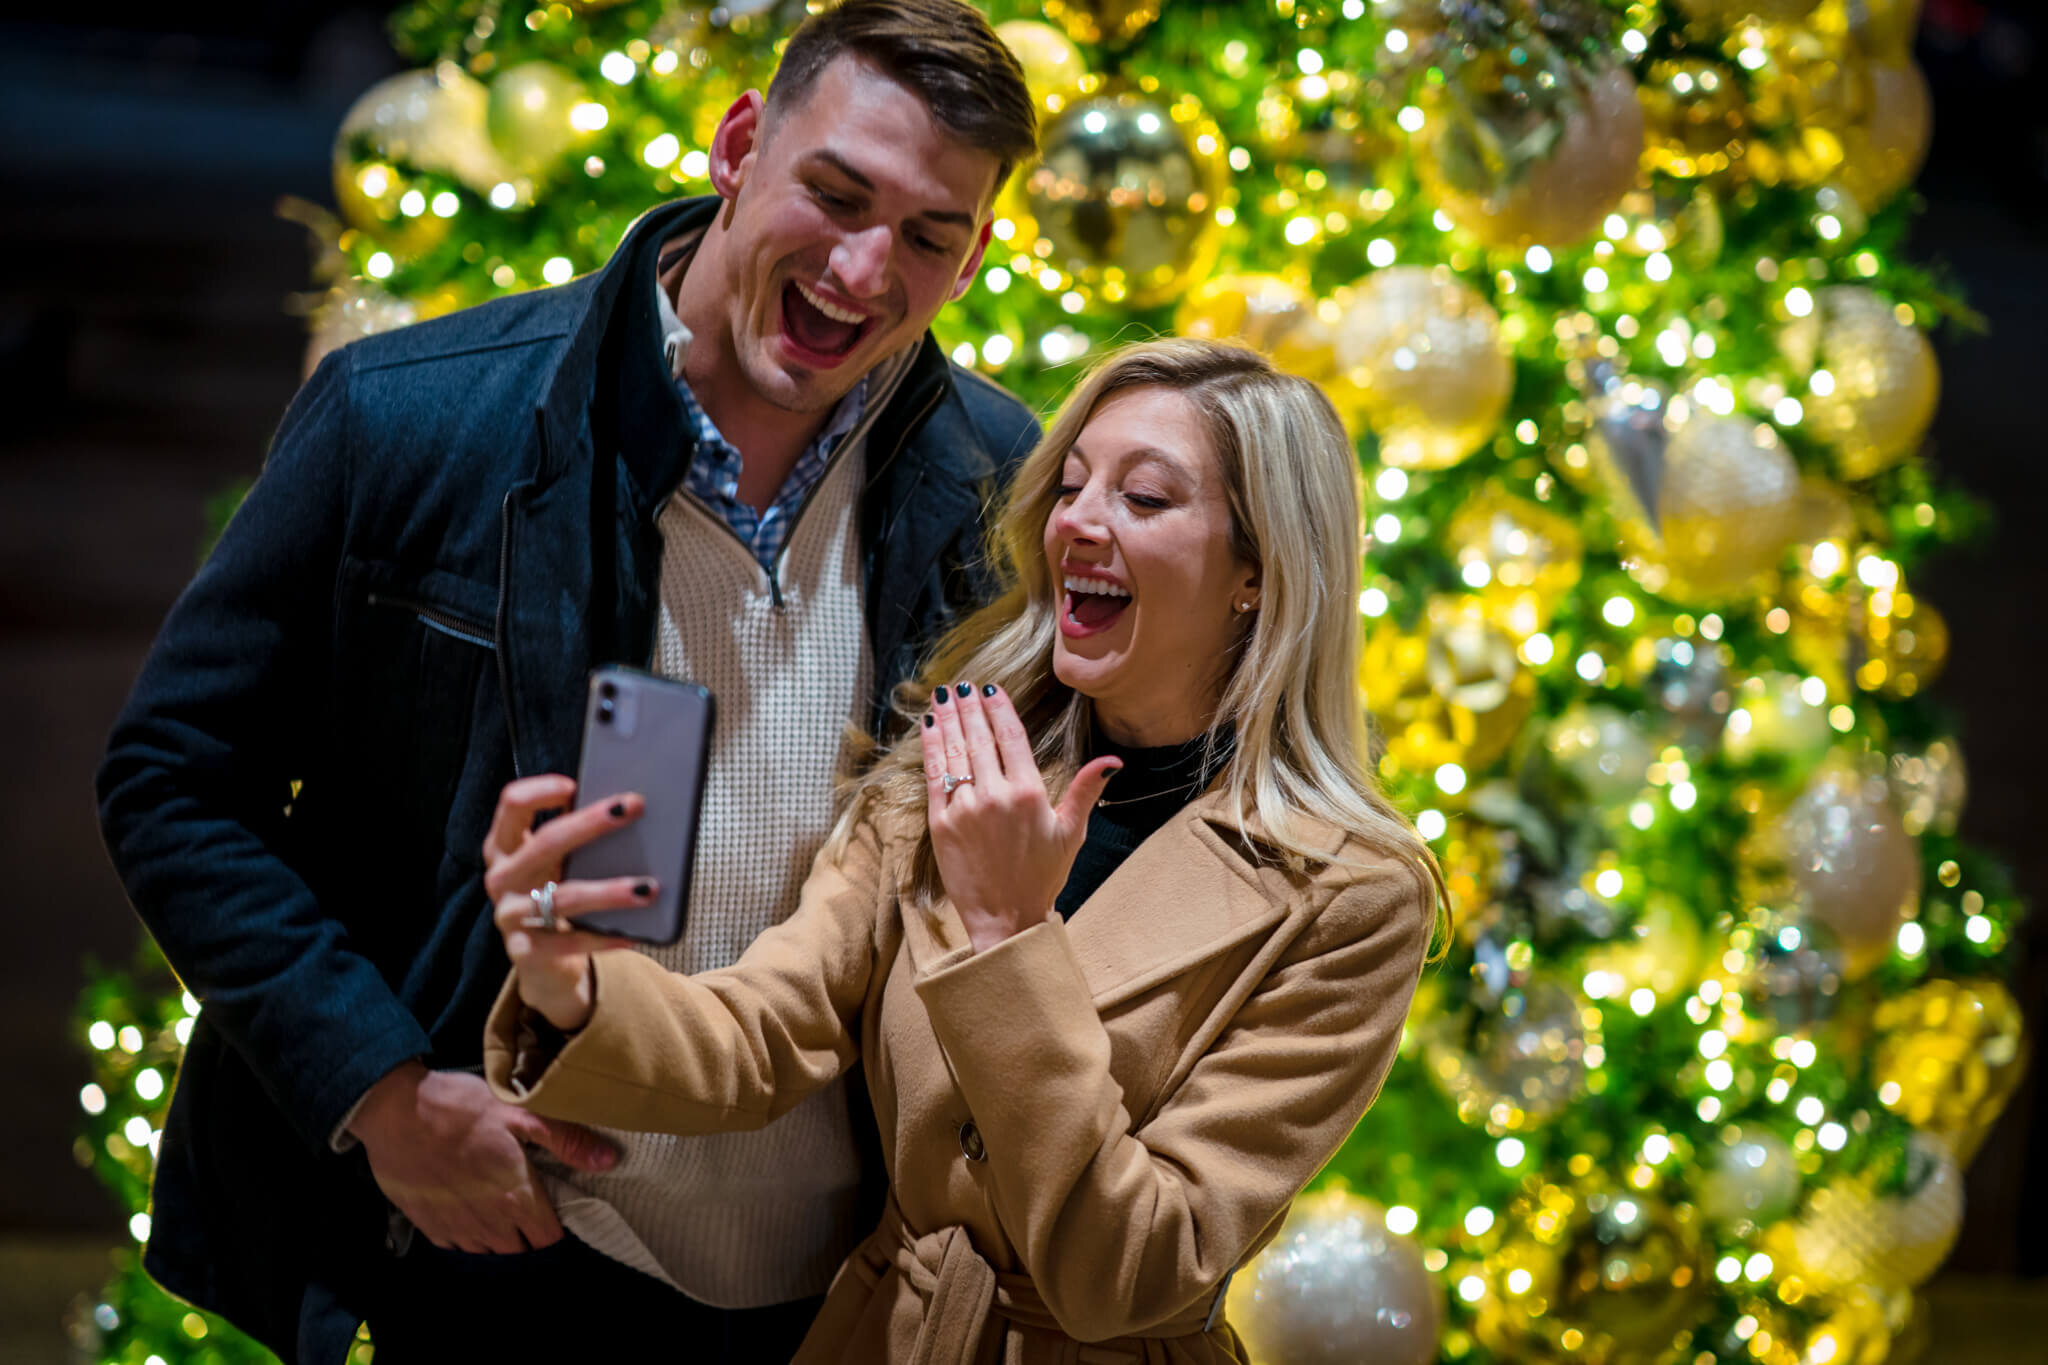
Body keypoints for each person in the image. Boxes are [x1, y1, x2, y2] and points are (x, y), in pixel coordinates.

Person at [93, 2, 1039, 1360]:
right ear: (738, 144)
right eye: (835, 194)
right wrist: (384, 1090)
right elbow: (173, 780)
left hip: (857, 1289)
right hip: (514, 1255)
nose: (860, 268)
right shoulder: (409, 416)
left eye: (928, 237)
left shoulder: (1000, 486)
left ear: (977, 254)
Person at [477, 338, 1449, 1363]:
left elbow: (1133, 1268)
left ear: (1258, 571)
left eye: (1145, 499)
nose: (1076, 520)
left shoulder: (1348, 894)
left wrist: (1005, 934)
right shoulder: (957, 764)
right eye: (1070, 486)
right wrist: (572, 988)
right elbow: (765, 1029)